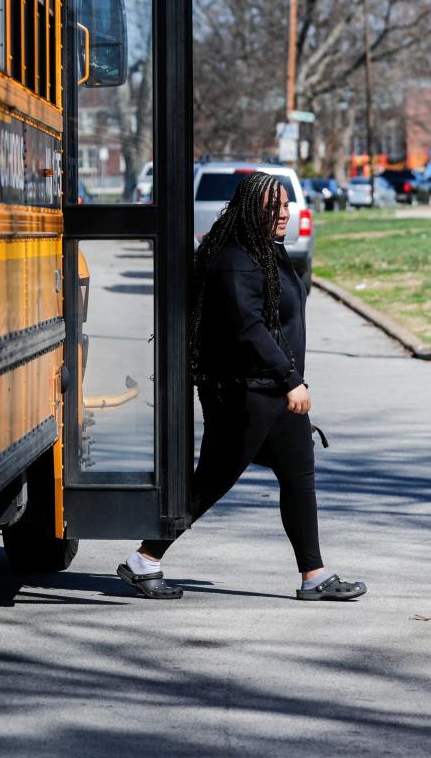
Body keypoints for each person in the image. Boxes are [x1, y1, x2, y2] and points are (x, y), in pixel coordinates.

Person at [116, 171, 366, 602]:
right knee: (211, 481)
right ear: (252, 211)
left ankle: (314, 575)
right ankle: (145, 558)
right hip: (245, 393)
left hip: (271, 390)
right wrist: (292, 380)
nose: (284, 213)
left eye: (286, 205)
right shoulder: (235, 260)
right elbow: (248, 328)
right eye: (275, 207)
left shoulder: (264, 254)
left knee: (299, 475)